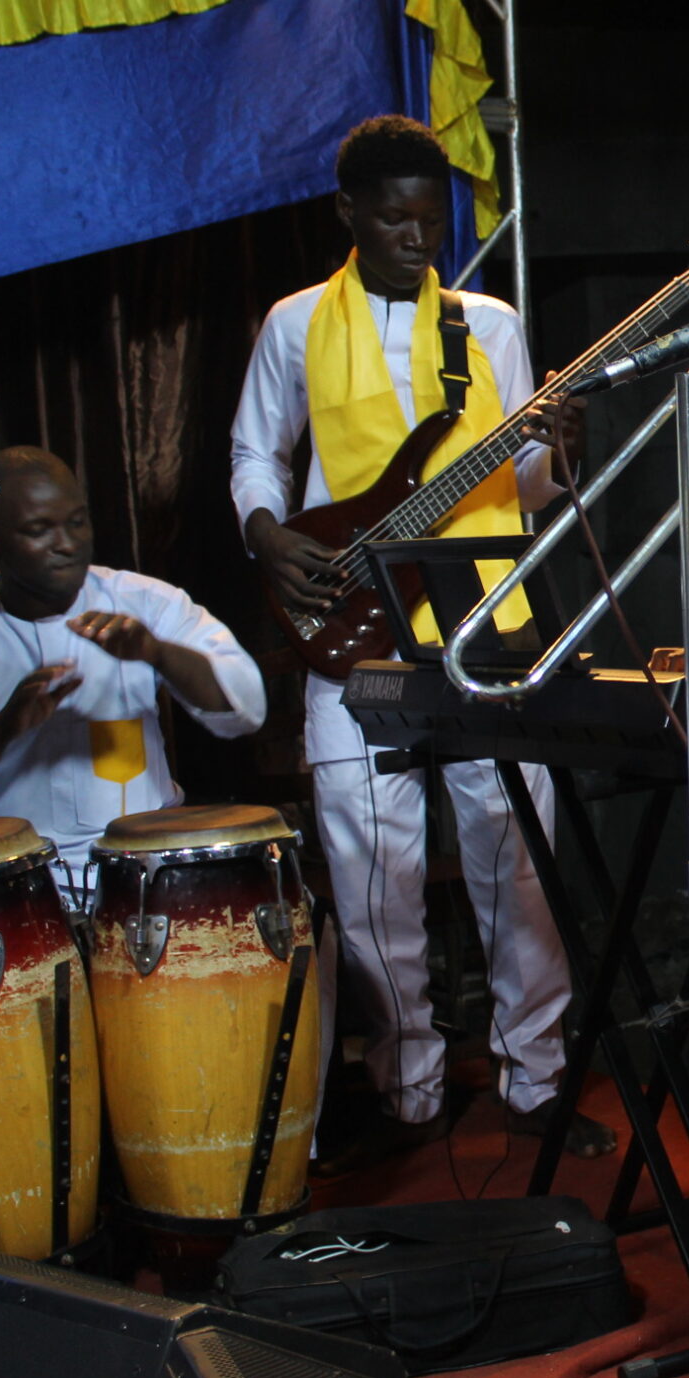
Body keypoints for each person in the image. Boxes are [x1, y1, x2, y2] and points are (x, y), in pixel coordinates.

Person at [230, 114, 606, 1171]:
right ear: (347, 214)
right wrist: (270, 540)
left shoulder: (486, 325)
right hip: (354, 631)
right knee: (372, 877)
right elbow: (256, 451)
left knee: (514, 861)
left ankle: (536, 1079)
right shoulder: (295, 324)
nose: (413, 234)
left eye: (427, 216)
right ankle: (411, 1088)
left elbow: (522, 488)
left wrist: (557, 455)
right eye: (390, 216)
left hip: (488, 621)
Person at [0, 447, 266, 894]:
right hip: (12, 893)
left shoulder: (145, 602)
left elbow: (246, 706)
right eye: (39, 530)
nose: (66, 543)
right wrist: (4, 728)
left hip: (148, 876)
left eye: (76, 522)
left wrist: (157, 653)